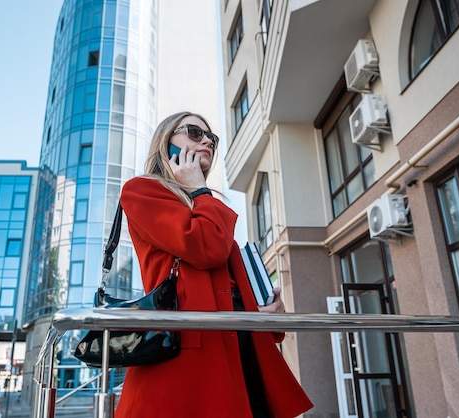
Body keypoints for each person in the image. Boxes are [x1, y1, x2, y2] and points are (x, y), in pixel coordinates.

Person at [115, 111, 313, 418]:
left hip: (240, 352)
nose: (207, 140)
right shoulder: (142, 190)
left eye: (211, 138)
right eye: (195, 133)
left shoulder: (204, 206)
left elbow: (221, 278)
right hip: (187, 359)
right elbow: (205, 249)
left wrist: (265, 312)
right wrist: (199, 191)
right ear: (167, 142)